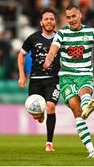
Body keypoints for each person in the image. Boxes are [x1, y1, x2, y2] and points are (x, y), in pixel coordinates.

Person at [44, 5, 94, 158]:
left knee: (84, 92)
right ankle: (91, 149)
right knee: (77, 111)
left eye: (73, 16)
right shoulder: (62, 33)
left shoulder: (92, 32)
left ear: (80, 15)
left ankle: (87, 105)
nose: (71, 20)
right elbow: (52, 51)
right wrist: (48, 61)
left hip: (85, 74)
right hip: (66, 77)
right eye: (68, 17)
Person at [17, 8, 60, 152]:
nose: (49, 21)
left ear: (55, 22)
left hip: (53, 80)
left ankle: (49, 143)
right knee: (38, 115)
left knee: (51, 106)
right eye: (46, 19)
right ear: (41, 22)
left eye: (51, 19)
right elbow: (21, 55)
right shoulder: (33, 38)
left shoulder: (60, 38)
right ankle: (39, 114)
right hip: (35, 80)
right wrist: (22, 75)